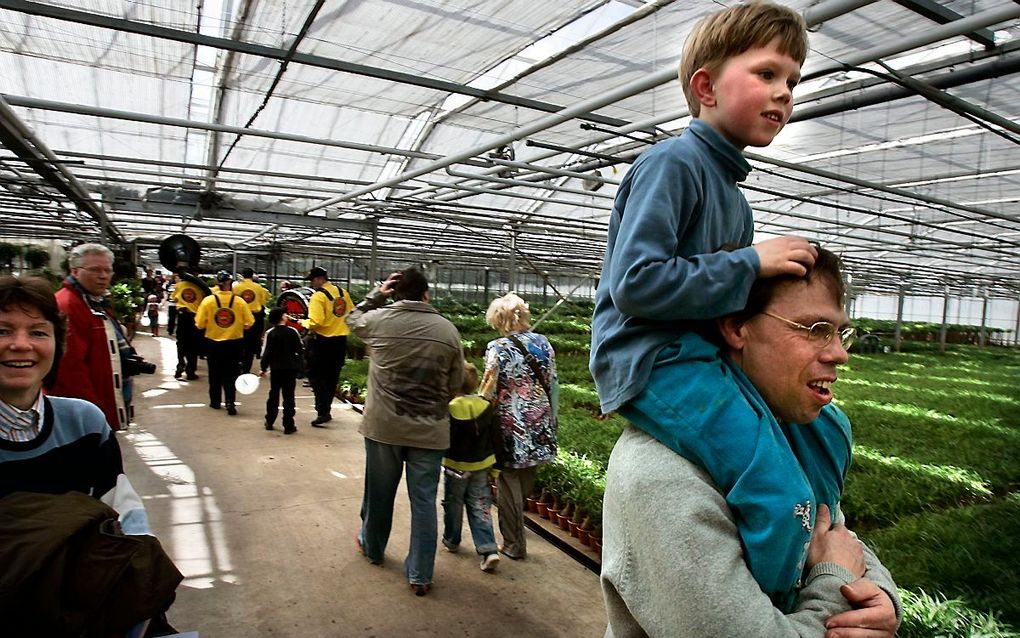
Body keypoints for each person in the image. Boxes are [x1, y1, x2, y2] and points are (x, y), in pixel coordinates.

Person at [601, 247, 901, 637]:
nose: (840, 354)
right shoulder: (664, 474)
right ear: (737, 327)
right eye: (815, 330)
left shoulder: (789, 434)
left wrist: (878, 594)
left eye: (841, 332)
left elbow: (833, 532)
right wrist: (835, 586)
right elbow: (832, 566)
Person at [589, 0, 818, 419]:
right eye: (767, 73)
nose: (784, 92)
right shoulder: (673, 163)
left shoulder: (737, 202)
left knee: (818, 428)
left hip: (697, 355)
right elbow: (635, 285)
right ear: (706, 88)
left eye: (792, 81)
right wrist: (749, 264)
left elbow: (720, 303)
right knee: (765, 465)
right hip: (651, 358)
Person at [0, 275, 183, 635]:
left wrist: (137, 586)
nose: (21, 345)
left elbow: (123, 511)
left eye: (38, 332)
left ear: (56, 343)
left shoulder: (84, 422)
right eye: (3, 330)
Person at [346, 267, 464, 596]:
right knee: (424, 502)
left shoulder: (379, 320)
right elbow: (455, 384)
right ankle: (420, 575)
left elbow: (351, 320)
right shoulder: (448, 331)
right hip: (430, 431)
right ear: (427, 294)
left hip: (384, 427)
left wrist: (377, 295)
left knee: (379, 494)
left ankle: (372, 548)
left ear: (396, 293)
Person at [480, 292, 557, 561]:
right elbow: (553, 383)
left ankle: (513, 543)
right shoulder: (544, 343)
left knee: (508, 480)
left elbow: (488, 390)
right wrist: (552, 418)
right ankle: (516, 520)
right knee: (526, 476)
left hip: (511, 426)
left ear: (498, 319)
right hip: (541, 419)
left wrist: (476, 414)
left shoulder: (497, 348)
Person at [50, 243, 130, 430]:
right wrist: (91, 416)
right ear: (75, 271)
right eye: (95, 270)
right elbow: (69, 371)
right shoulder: (69, 306)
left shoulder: (94, 302)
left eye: (107, 270)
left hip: (102, 396)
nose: (103, 276)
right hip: (84, 410)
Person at [441, 361, 501, 573]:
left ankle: (452, 540)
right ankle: (489, 549)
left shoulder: (449, 409)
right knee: (481, 506)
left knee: (453, 504)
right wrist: (495, 468)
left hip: (454, 467)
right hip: (481, 467)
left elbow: (442, 439)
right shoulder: (486, 407)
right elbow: (495, 438)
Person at [194, 270, 254, 416]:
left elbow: (200, 324)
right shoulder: (239, 302)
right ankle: (230, 402)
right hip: (234, 344)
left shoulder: (208, 301)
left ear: (217, 284)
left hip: (213, 343)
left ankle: (215, 401)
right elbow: (249, 322)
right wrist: (237, 327)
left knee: (214, 373)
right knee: (231, 374)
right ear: (229, 284)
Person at [301, 266, 354, 427]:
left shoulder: (318, 296)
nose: (312, 284)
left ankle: (322, 411)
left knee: (316, 377)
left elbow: (315, 321)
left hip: (322, 342)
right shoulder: (343, 292)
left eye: (312, 281)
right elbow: (351, 313)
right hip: (340, 342)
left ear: (319, 279)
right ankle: (326, 410)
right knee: (332, 377)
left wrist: (302, 322)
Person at [260, 307, 303, 435]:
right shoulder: (293, 332)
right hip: (290, 369)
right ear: (282, 317)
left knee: (274, 394)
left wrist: (263, 368)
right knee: (289, 396)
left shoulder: (270, 333)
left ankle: (270, 421)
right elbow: (300, 350)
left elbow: (266, 353)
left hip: (276, 369)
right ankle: (288, 425)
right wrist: (300, 368)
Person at [172, 270, 209, 380]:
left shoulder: (179, 285)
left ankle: (180, 363)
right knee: (193, 345)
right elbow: (205, 300)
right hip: (194, 317)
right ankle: (190, 371)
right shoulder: (200, 286)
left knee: (180, 342)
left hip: (182, 315)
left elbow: (174, 298)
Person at [234, 267, 272, 375]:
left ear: (242, 275)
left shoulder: (237, 287)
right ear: (252, 275)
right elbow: (264, 300)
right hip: (255, 318)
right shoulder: (259, 288)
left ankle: (238, 364)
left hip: (240, 318)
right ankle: (246, 368)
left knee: (239, 342)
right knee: (250, 345)